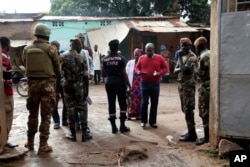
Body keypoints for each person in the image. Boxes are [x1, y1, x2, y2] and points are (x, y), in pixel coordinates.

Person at [22, 23, 61, 155]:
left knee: (32, 115)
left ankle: (30, 142)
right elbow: (58, 68)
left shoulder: (27, 49)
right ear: (47, 34)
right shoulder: (52, 49)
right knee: (46, 115)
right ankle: (43, 145)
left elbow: (24, 63)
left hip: (32, 86)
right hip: (47, 86)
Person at [61, 38, 92, 142]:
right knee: (82, 108)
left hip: (67, 85)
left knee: (70, 108)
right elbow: (86, 76)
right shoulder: (81, 58)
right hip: (79, 85)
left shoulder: (63, 57)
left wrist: (57, 89)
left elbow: (59, 74)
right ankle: (84, 133)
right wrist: (86, 91)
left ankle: (72, 134)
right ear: (78, 46)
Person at [135, 43, 169, 129]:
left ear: (153, 50)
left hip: (155, 84)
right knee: (144, 102)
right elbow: (137, 67)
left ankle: (153, 122)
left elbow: (166, 68)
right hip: (144, 83)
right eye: (147, 50)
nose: (148, 52)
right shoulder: (142, 58)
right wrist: (139, 72)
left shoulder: (159, 58)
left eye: (150, 50)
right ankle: (143, 121)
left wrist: (159, 73)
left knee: (154, 103)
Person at [103, 39, 131, 134]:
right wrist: (129, 85)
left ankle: (113, 127)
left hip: (109, 83)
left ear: (110, 48)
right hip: (120, 83)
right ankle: (122, 126)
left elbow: (106, 72)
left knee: (111, 104)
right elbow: (124, 74)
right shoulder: (121, 58)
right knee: (122, 103)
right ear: (117, 47)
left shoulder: (105, 59)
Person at [174, 37, 198, 142]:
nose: (183, 47)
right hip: (181, 85)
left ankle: (192, 134)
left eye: (185, 45)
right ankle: (190, 131)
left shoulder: (192, 57)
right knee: (184, 109)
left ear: (189, 46)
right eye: (181, 45)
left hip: (188, 86)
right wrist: (180, 64)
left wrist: (179, 58)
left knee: (188, 109)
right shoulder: (182, 56)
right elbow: (175, 70)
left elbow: (184, 71)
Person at [1, 36, 18, 149]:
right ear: (6, 45)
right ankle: (3, 141)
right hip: (5, 93)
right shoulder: (4, 56)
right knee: (7, 116)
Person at [193, 37, 210, 145]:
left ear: (199, 47)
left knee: (204, 112)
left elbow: (201, 73)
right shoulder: (211, 53)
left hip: (205, 87)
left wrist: (194, 67)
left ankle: (206, 137)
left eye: (196, 47)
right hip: (212, 85)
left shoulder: (203, 57)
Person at [51, 40, 68, 129]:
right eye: (53, 46)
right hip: (53, 84)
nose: (54, 48)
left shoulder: (62, 57)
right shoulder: (48, 58)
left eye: (56, 46)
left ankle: (64, 120)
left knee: (66, 102)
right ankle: (56, 121)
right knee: (54, 104)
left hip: (62, 83)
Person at [125, 48, 143, 120]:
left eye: (137, 55)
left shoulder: (143, 63)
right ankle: (129, 115)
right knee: (130, 100)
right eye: (135, 55)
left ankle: (138, 115)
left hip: (140, 86)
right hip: (131, 85)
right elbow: (126, 73)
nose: (136, 57)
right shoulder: (130, 63)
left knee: (139, 100)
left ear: (141, 55)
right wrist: (127, 85)